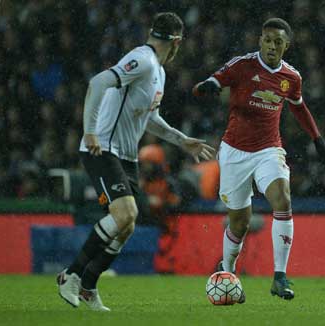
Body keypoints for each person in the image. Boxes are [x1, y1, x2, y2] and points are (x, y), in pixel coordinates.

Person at [57, 12, 215, 311]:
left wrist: (182, 141)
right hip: (102, 148)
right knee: (125, 212)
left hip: (126, 156)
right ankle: (72, 274)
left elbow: (151, 119)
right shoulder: (142, 59)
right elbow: (98, 82)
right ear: (178, 42)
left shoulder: (159, 72)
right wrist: (90, 131)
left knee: (127, 224)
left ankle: (89, 285)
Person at [193, 18, 325, 301]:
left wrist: (317, 139)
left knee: (282, 199)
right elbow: (216, 79)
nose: (272, 46)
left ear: (286, 46)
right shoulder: (243, 65)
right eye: (268, 40)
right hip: (234, 151)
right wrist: (207, 86)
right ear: (260, 40)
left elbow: (299, 107)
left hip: (269, 150)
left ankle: (280, 277)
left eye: (278, 42)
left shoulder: (291, 77)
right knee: (239, 222)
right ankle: (228, 272)